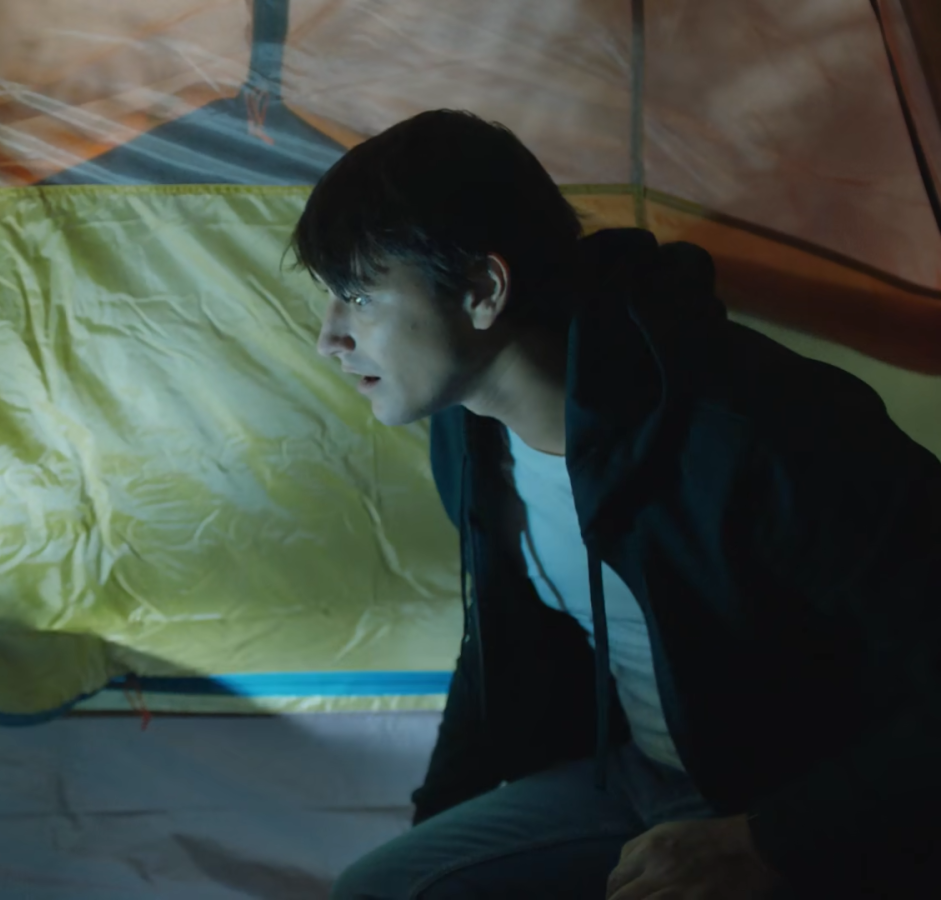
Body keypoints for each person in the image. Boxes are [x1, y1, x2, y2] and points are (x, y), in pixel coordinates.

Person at [295, 110, 940, 899]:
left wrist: (771, 841)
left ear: (483, 290)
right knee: (385, 891)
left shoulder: (756, 433)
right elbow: (497, 640)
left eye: (358, 296)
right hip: (633, 779)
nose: (329, 338)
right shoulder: (469, 432)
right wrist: (439, 825)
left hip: (806, 806)